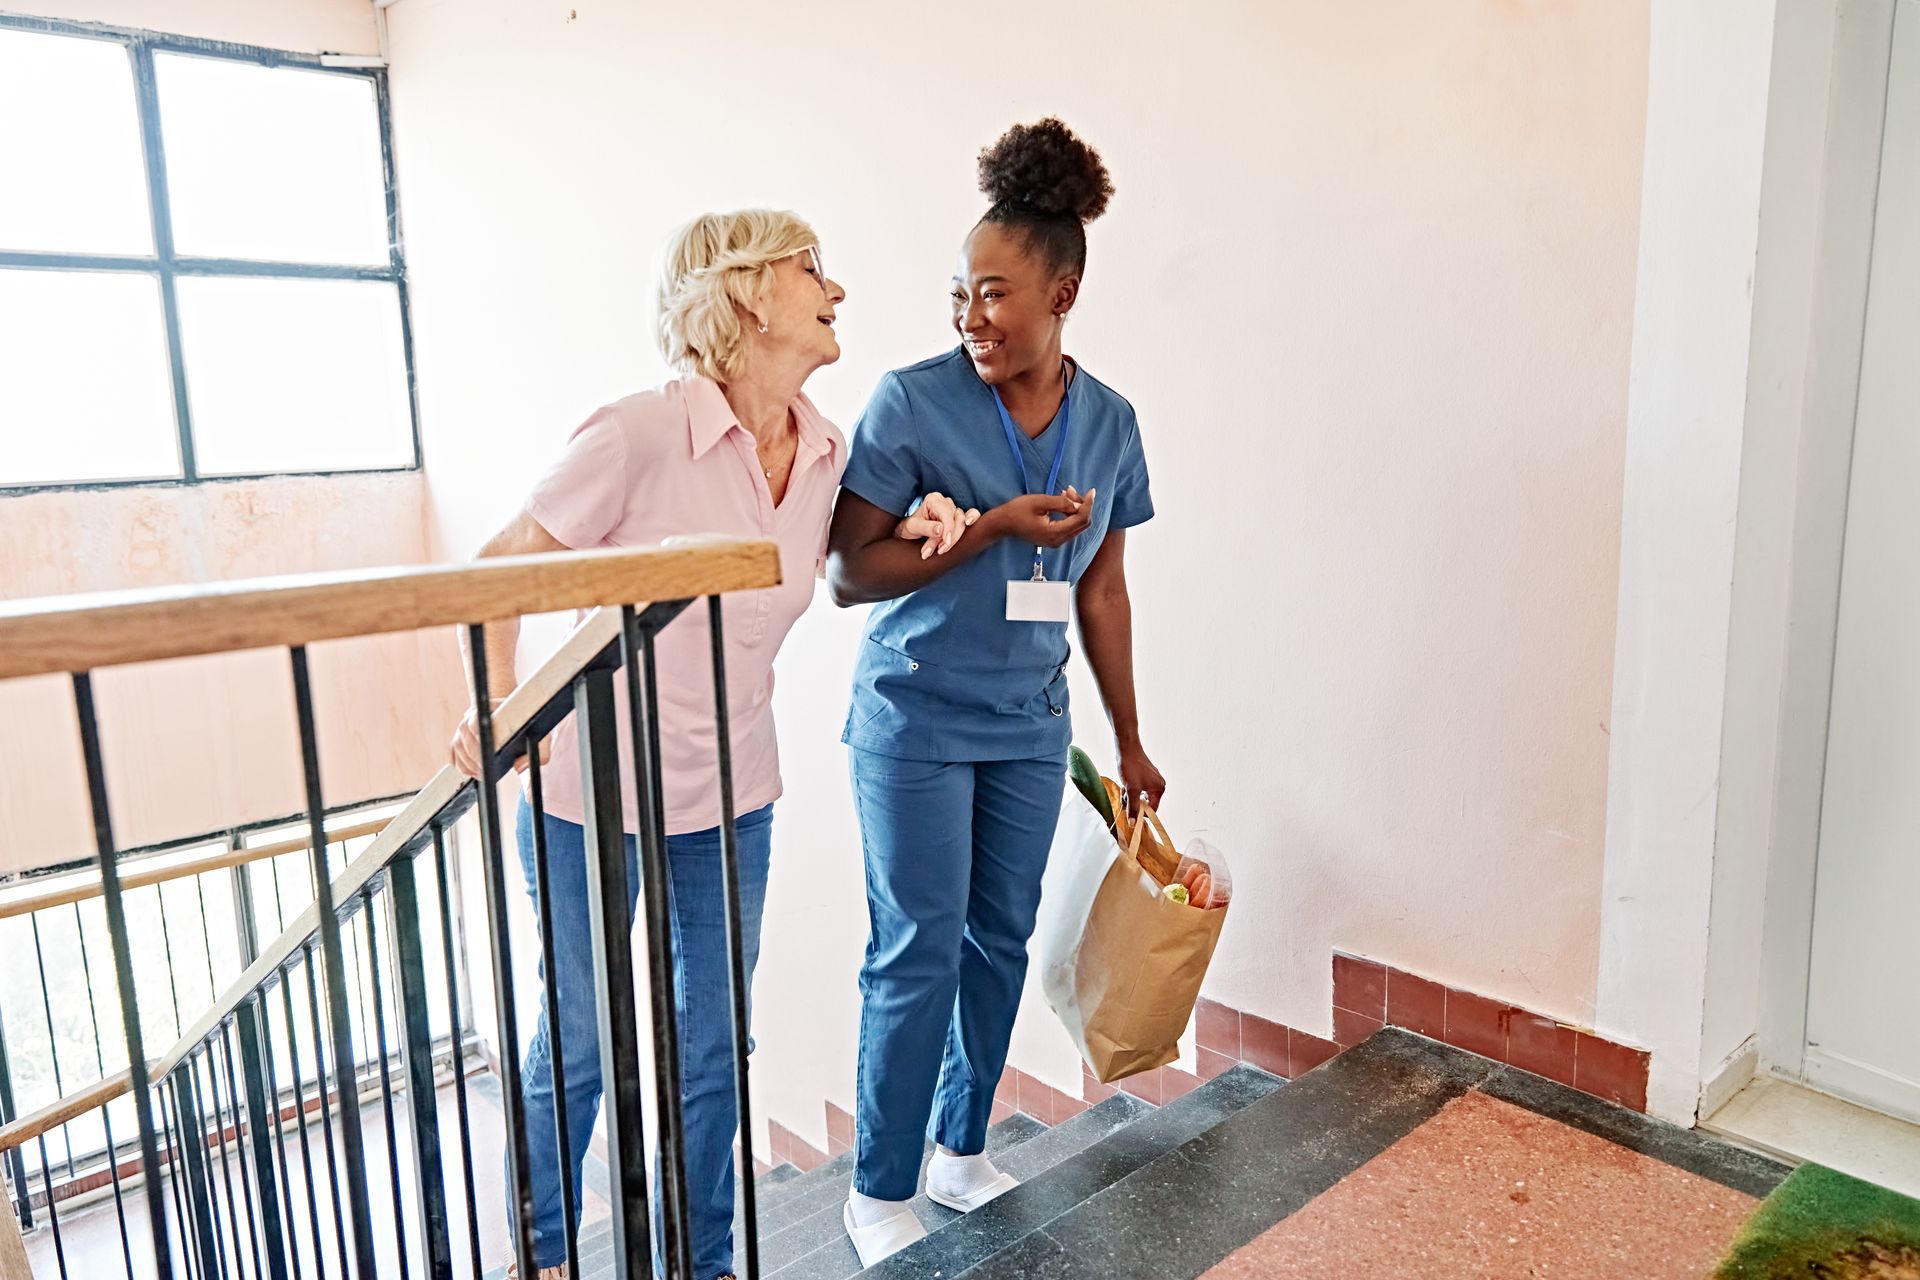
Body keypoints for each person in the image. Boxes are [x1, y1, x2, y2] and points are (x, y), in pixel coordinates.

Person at [448, 209, 974, 1280]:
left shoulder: (825, 446)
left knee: (708, 1049)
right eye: (810, 268)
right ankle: (543, 1253)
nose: (837, 290)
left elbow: (838, 560)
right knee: (584, 1039)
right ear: (741, 295)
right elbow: (496, 565)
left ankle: (706, 1261)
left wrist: (916, 519)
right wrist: (496, 707)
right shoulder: (638, 432)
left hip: (733, 797)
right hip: (584, 797)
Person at [824, 119, 1164, 1267]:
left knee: (999, 940)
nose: (971, 317)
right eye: (960, 294)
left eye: (995, 294)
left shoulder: (1109, 423)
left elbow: (1103, 592)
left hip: (1029, 725)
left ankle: (960, 1148)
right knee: (915, 944)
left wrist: (1131, 738)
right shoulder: (909, 403)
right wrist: (995, 532)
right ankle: (879, 1186)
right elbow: (846, 572)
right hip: (914, 719)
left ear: (1062, 290)